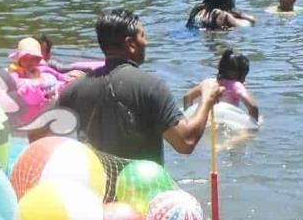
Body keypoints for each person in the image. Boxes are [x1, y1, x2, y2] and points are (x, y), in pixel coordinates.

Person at [57, 9, 221, 165]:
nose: (147, 42)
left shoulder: (73, 89)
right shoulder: (150, 86)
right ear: (131, 44)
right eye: (143, 36)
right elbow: (185, 142)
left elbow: (40, 135)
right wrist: (207, 98)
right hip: (141, 190)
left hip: (94, 190)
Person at [183, 48, 259, 122]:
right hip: (228, 120)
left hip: (208, 118)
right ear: (242, 74)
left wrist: (189, 116)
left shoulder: (208, 83)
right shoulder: (237, 86)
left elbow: (187, 97)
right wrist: (254, 124)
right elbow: (253, 107)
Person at [186, 0, 256, 30]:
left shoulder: (197, 10)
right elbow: (249, 23)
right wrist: (237, 13)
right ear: (223, 2)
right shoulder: (220, 13)